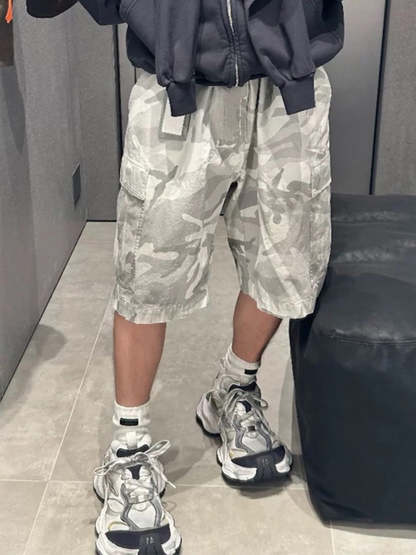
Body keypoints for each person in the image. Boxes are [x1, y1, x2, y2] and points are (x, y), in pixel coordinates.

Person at [27, 1, 344, 553]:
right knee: (147, 276)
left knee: (282, 263)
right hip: (178, 89)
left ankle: (235, 387)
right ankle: (128, 448)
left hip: (288, 85)